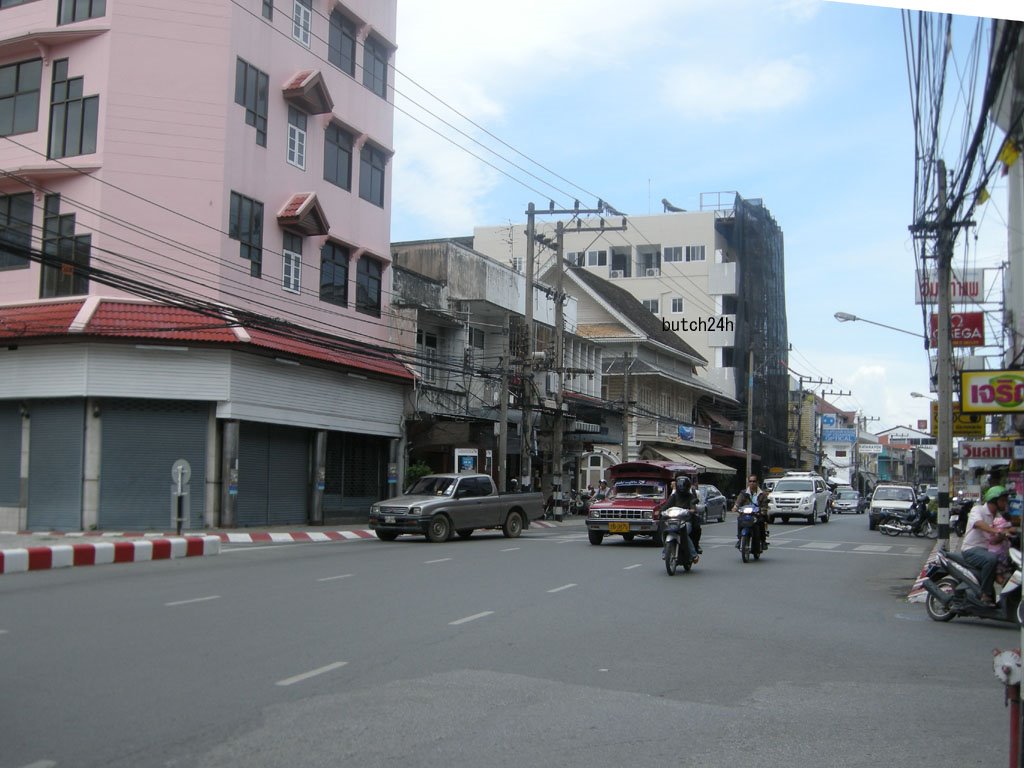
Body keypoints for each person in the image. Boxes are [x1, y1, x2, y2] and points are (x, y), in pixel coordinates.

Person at [961, 485, 1014, 604]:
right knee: (991, 559)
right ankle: (985, 594)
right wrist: (997, 531)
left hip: (987, 550)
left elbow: (995, 540)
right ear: (994, 500)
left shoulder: (999, 517)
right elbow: (978, 524)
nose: (1005, 503)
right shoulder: (978, 510)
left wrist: (1008, 533)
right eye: (1003, 500)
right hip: (971, 549)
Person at [657, 474, 701, 558]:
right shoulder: (674, 496)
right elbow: (666, 505)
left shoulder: (691, 497)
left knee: (684, 533)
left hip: (686, 521)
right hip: (673, 520)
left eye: (683, 486)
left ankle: (693, 554)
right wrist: (661, 511)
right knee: (663, 527)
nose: (681, 488)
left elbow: (693, 506)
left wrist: (691, 511)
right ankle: (665, 549)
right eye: (680, 485)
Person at [733, 475, 769, 549]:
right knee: (740, 520)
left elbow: (765, 505)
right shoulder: (744, 493)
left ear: (757, 483)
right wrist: (735, 507)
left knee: (761, 522)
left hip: (757, 514)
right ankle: (740, 539)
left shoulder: (762, 494)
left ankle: (763, 541)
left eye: (754, 481)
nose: (752, 483)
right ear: (748, 483)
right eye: (750, 481)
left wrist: (763, 510)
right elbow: (738, 501)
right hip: (746, 514)